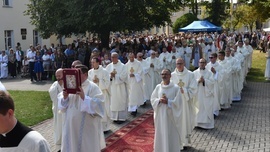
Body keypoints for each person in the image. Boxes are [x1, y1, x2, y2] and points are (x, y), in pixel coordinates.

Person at [58, 64, 106, 152]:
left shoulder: (93, 87)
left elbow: (99, 105)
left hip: (86, 128)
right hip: (70, 127)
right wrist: (65, 97)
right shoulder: (70, 85)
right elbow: (62, 107)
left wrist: (84, 97)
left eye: (78, 73)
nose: (75, 76)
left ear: (85, 74)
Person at [151, 69, 183, 152]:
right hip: (160, 115)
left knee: (171, 134)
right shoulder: (158, 87)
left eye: (166, 74)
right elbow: (153, 99)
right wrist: (159, 100)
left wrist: (168, 101)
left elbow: (179, 102)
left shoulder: (175, 88)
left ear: (170, 76)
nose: (164, 76)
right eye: (162, 74)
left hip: (171, 116)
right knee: (161, 133)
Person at [171, 58, 197, 148]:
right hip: (176, 104)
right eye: (177, 63)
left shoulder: (190, 74)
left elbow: (194, 88)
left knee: (185, 122)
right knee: (176, 122)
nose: (179, 65)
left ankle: (185, 142)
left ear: (184, 63)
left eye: (181, 63)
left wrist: (185, 91)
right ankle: (176, 142)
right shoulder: (172, 75)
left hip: (186, 103)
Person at [88, 57, 111, 132]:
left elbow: (107, 84)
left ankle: (105, 128)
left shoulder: (104, 71)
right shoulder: (90, 72)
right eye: (92, 62)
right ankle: (96, 128)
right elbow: (88, 83)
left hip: (103, 94)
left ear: (98, 63)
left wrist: (99, 81)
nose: (92, 64)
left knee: (103, 110)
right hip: (94, 95)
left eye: (94, 62)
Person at [105, 52, 128, 123]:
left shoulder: (123, 66)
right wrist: (110, 77)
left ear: (117, 57)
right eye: (112, 57)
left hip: (120, 87)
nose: (113, 59)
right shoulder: (108, 66)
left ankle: (121, 118)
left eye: (114, 57)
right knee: (113, 102)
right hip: (112, 87)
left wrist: (116, 76)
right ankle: (114, 117)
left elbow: (124, 76)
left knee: (120, 101)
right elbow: (106, 77)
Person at [193, 58, 215, 129]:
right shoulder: (194, 73)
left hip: (206, 94)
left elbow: (212, 83)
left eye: (203, 62)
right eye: (200, 62)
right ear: (198, 63)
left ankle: (206, 124)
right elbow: (191, 83)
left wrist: (205, 81)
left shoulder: (209, 73)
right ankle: (197, 123)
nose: (202, 64)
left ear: (205, 64)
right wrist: (198, 81)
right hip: (197, 94)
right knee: (197, 107)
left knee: (206, 108)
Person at [48, 68, 63, 151]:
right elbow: (51, 94)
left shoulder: (68, 82)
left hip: (66, 109)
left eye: (59, 75)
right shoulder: (55, 84)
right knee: (58, 124)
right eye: (57, 76)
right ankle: (59, 139)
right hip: (58, 108)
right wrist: (58, 85)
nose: (58, 77)